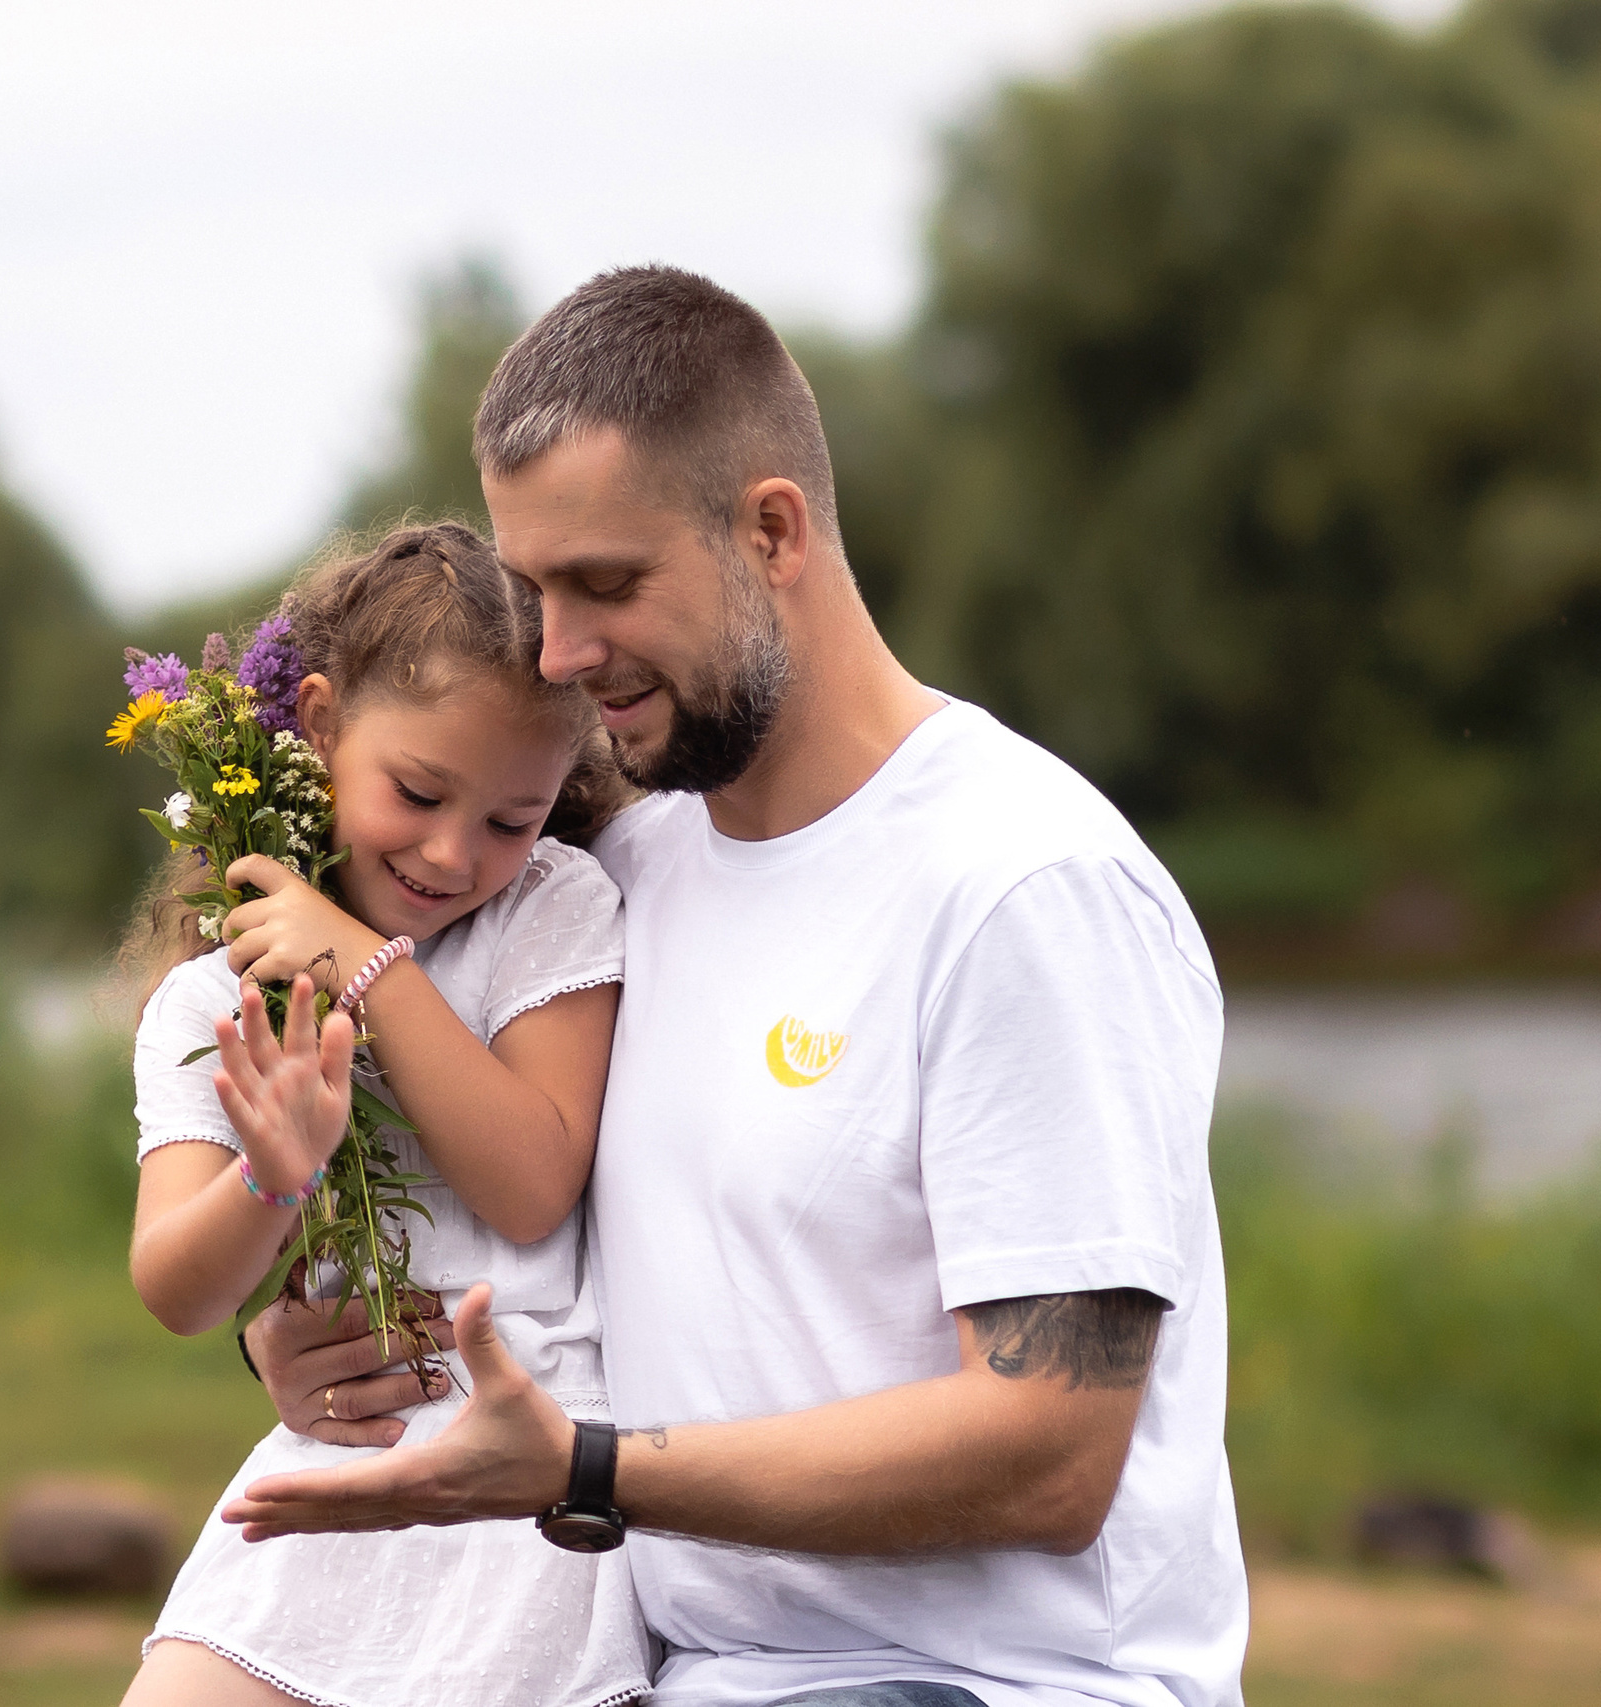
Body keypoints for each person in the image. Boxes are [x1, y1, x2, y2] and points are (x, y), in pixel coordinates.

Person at [227, 268, 1248, 1707]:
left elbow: (1051, 1450)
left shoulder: (1023, 883)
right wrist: (312, 1343)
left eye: (607, 584)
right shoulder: (606, 880)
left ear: (772, 529)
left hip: (978, 1681)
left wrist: (587, 1470)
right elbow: (494, 1202)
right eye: (535, 592)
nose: (559, 654)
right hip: (680, 1669)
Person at [118, 522, 653, 1707]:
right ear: (316, 724)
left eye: (513, 818)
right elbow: (176, 1288)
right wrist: (273, 1178)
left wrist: (371, 968)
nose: (456, 853)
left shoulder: (550, 915)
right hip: (341, 1459)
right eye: (416, 791)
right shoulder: (212, 998)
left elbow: (530, 1185)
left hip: (530, 1477)